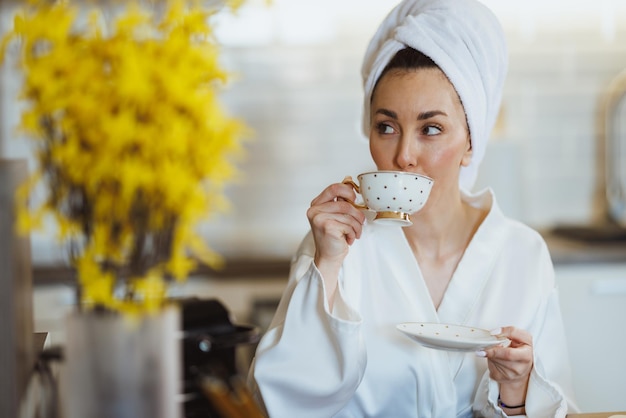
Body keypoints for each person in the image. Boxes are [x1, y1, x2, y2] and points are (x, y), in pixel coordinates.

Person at [247, 0, 579, 416]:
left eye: (431, 129)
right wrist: (327, 266)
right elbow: (278, 403)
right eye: (386, 127)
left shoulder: (523, 255)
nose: (404, 154)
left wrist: (516, 394)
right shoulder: (339, 247)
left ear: (471, 142)